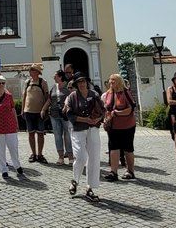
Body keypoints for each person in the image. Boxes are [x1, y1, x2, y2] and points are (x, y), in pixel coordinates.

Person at [63, 72, 104, 202]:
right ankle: (75, 180)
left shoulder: (94, 95)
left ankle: (90, 188)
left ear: (87, 82)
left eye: (83, 81)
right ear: (76, 84)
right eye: (79, 82)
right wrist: (85, 119)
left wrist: (97, 118)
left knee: (94, 157)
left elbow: (103, 110)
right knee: (81, 156)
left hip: (93, 129)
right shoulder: (72, 97)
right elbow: (70, 115)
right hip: (78, 129)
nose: (82, 84)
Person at [0, 74, 23, 179]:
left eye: (3, 83)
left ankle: (17, 165)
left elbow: (13, 109)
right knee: (0, 149)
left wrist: (16, 123)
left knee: (13, 147)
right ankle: (3, 170)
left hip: (10, 126)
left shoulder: (9, 96)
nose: (1, 85)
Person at [101, 73, 137, 181]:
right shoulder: (108, 94)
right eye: (110, 80)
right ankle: (113, 172)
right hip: (113, 126)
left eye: (114, 80)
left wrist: (117, 113)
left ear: (119, 81)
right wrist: (104, 119)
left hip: (127, 126)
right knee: (113, 148)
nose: (111, 82)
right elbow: (106, 109)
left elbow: (130, 109)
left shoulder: (126, 93)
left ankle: (130, 171)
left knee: (128, 148)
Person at [21, 63, 49, 163]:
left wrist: (45, 109)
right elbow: (24, 97)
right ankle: (33, 153)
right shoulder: (27, 82)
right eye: (30, 70)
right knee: (31, 134)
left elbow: (47, 97)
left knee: (40, 134)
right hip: (28, 111)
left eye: (32, 70)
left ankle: (40, 154)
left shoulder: (43, 82)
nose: (30, 72)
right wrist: (22, 110)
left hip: (39, 112)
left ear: (37, 72)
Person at [45, 69, 73, 165]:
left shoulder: (68, 86)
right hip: (54, 114)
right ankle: (60, 156)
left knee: (68, 136)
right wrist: (43, 109)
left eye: (55, 76)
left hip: (66, 115)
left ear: (60, 77)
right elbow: (49, 99)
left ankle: (70, 156)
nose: (54, 77)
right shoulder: (53, 87)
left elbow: (73, 98)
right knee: (57, 136)